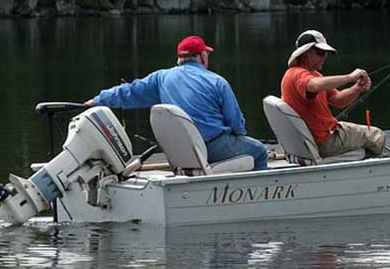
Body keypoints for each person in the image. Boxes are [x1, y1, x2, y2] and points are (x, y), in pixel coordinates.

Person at [84, 35, 269, 170]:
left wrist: (98, 100)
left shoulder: (161, 78)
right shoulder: (217, 81)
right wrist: (241, 139)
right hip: (212, 148)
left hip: (180, 151)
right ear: (202, 57)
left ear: (179, 59)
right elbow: (236, 123)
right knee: (260, 151)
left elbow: (128, 91)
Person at [280, 29, 386, 158]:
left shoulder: (314, 75)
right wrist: (350, 77)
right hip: (325, 141)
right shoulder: (297, 74)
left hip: (326, 135)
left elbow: (338, 100)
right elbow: (315, 85)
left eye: (326, 54)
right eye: (320, 53)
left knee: (365, 135)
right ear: (307, 53)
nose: (324, 57)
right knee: (376, 135)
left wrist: (357, 88)